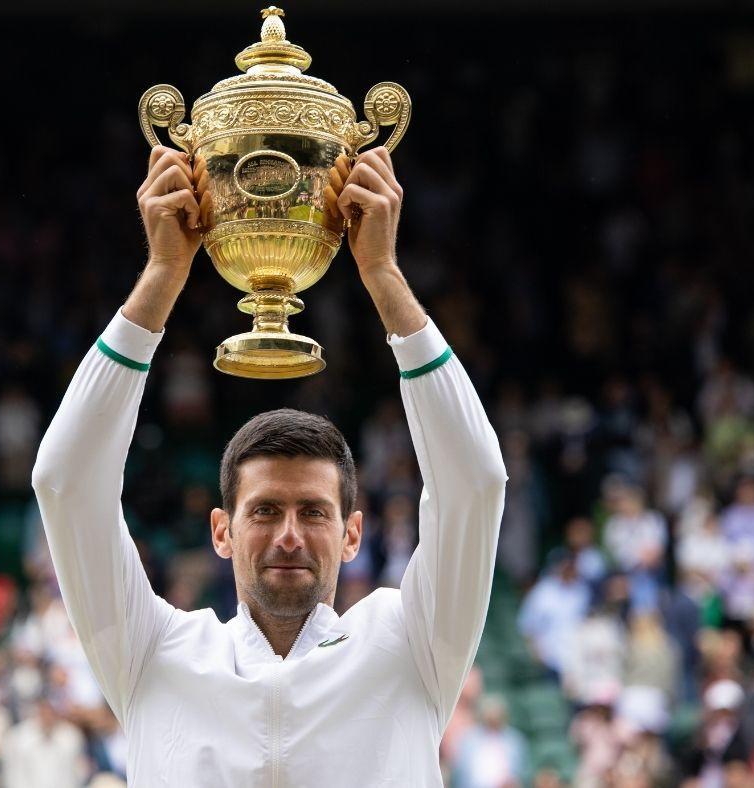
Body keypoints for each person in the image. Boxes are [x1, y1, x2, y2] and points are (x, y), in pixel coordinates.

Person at [31, 146, 508, 785]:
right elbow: (65, 482)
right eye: (264, 511)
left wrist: (383, 275)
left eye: (313, 511)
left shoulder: (412, 643)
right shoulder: (153, 652)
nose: (288, 534)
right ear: (221, 532)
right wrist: (164, 274)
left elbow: (474, 485)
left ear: (352, 533)